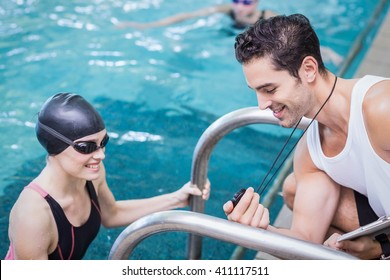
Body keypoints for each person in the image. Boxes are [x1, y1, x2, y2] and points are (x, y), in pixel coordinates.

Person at [223, 14, 390, 260]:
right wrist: (260, 231)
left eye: (269, 89)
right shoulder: (312, 148)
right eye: (256, 91)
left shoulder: (381, 110)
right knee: (293, 187)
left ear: (309, 69)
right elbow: (306, 241)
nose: (261, 104)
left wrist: (382, 247)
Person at [5, 93, 210, 260]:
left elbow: (111, 215)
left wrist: (178, 198)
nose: (101, 155)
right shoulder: (32, 215)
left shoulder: (92, 175)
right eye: (87, 147)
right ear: (55, 146)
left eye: (103, 142)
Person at [115, 0, 277, 30]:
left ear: (256, 2)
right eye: (236, 0)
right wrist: (147, 26)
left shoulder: (268, 17)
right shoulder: (226, 10)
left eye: (247, 2)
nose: (240, 7)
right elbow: (187, 16)